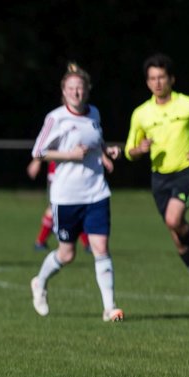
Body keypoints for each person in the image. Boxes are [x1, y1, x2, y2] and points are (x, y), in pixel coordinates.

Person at [29, 63, 123, 321]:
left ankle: (109, 308)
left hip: (96, 191)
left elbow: (97, 140)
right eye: (71, 89)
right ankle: (40, 282)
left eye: (80, 88)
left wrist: (106, 152)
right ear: (64, 91)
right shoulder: (55, 118)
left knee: (100, 246)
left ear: (87, 90)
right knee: (67, 254)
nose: (76, 93)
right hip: (66, 196)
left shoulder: (94, 113)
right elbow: (37, 151)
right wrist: (68, 155)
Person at [122, 53, 189, 278]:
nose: (157, 83)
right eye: (152, 78)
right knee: (178, 239)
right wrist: (139, 150)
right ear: (147, 82)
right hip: (160, 179)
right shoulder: (141, 113)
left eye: (161, 77)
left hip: (187, 171)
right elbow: (129, 151)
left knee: (174, 219)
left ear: (171, 79)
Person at [27, 159, 93, 251]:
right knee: (58, 208)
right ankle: (87, 244)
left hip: (69, 168)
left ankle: (40, 242)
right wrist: (37, 160)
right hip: (60, 169)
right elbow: (44, 145)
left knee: (73, 208)